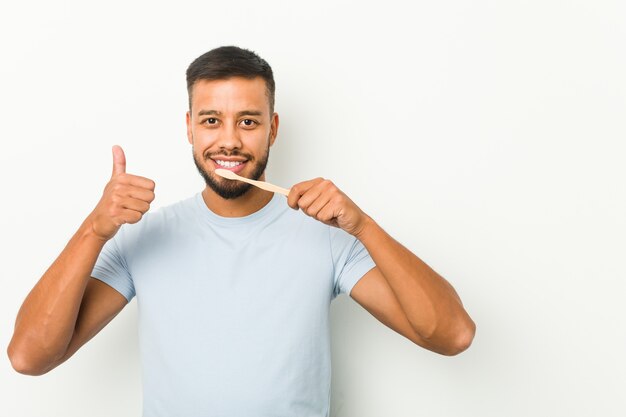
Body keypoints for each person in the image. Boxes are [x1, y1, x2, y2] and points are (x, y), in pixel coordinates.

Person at [7, 46, 476, 416]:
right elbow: (29, 357)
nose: (229, 139)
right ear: (190, 129)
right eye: (212, 120)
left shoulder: (328, 236)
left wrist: (364, 226)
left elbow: (451, 334)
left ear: (272, 129)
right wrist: (94, 230)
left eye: (247, 121)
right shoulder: (142, 237)